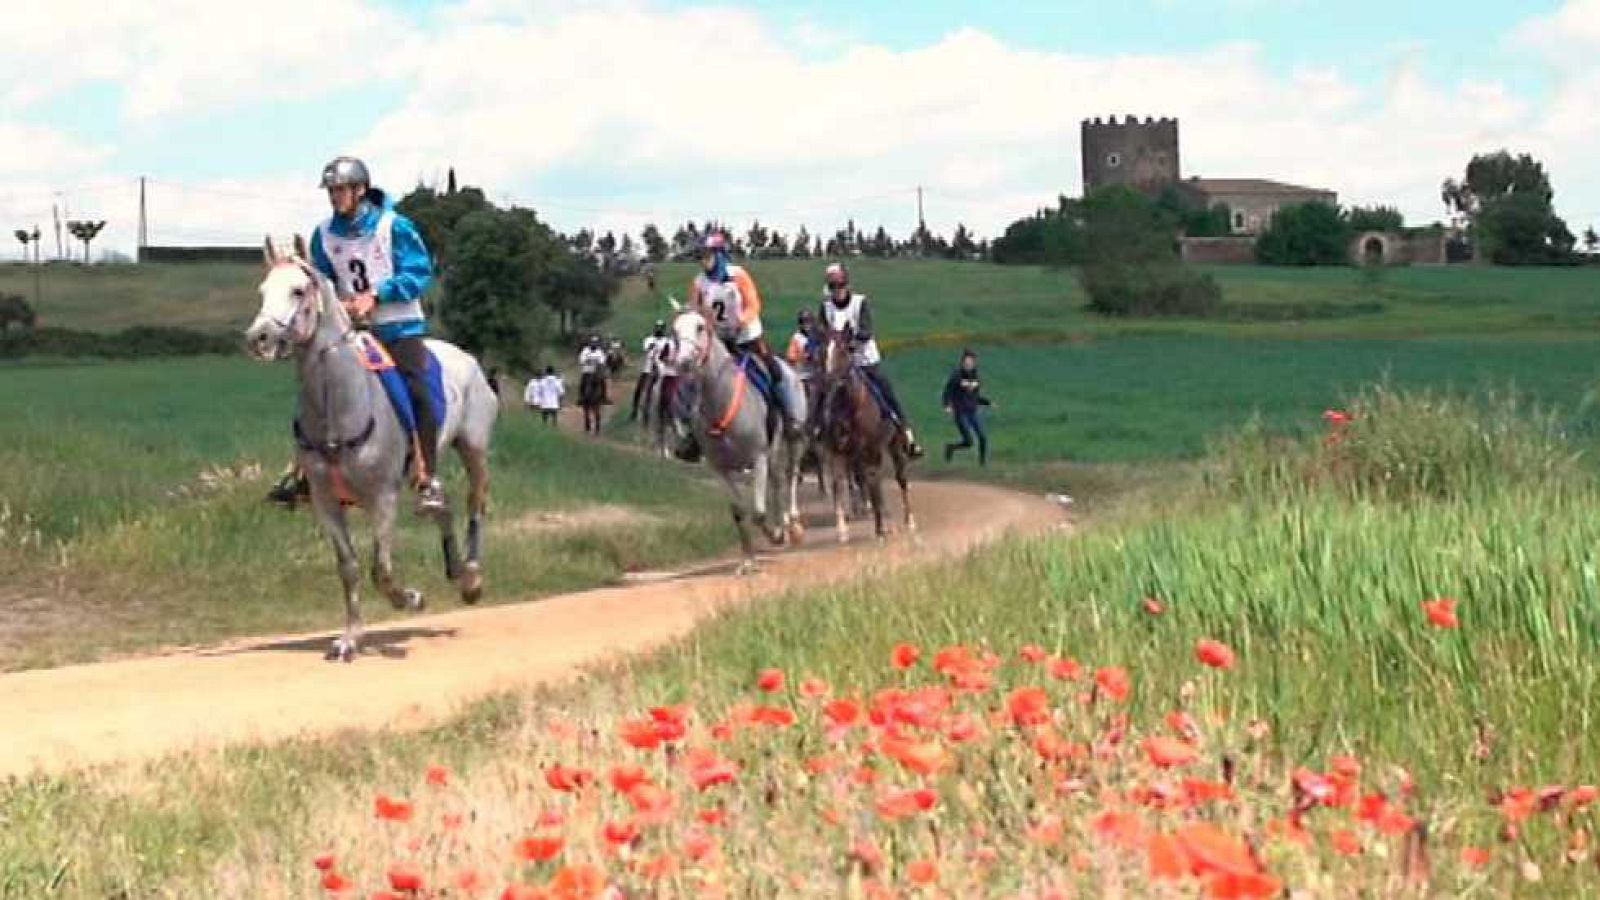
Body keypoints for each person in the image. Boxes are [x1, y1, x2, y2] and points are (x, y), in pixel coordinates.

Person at [265, 155, 443, 513]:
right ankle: (303, 474)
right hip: (351, 331)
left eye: (341, 190)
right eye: (331, 191)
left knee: (417, 390)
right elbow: (323, 282)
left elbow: (419, 270)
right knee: (317, 388)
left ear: (360, 190)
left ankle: (429, 479)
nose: (335, 197)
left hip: (399, 326)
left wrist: (376, 295)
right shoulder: (324, 236)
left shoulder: (395, 226)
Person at [688, 231, 799, 434]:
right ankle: (692, 432)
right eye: (699, 257)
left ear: (719, 254)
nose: (703, 261)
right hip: (721, 341)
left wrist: (742, 320)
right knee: (696, 378)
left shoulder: (738, 275)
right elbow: (696, 311)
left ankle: (790, 417)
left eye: (706, 255)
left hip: (747, 337)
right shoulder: (698, 282)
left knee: (773, 371)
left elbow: (753, 303)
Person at [816, 262, 923, 457]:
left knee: (886, 390)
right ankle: (816, 432)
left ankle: (906, 433)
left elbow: (866, 329)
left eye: (840, 285)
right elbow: (822, 331)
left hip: (865, 359)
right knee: (821, 392)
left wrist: (851, 345)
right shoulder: (826, 307)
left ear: (847, 284)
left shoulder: (860, 302)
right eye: (833, 286)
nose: (837, 290)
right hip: (837, 364)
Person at [941, 349, 991, 466]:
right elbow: (947, 391)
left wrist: (987, 402)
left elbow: (975, 396)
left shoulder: (975, 376)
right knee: (969, 442)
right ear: (962, 362)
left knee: (983, 437)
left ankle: (982, 463)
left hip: (973, 411)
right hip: (960, 412)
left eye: (971, 361)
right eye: (966, 361)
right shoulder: (956, 376)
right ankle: (950, 448)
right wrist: (946, 405)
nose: (968, 363)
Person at [631, 320, 667, 422]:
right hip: (648, 368)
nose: (659, 330)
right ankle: (634, 410)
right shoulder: (649, 339)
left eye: (661, 328)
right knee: (639, 389)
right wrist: (652, 346)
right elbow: (647, 348)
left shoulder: (666, 341)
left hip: (661, 368)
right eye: (657, 327)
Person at [578, 335, 608, 434]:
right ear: (589, 343)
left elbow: (602, 362)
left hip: (596, 373)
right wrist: (589, 361)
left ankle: (604, 396)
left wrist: (597, 364)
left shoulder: (600, 352)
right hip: (587, 372)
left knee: (603, 382)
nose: (593, 344)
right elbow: (581, 361)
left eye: (595, 343)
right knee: (582, 383)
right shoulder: (585, 351)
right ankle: (581, 397)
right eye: (592, 343)